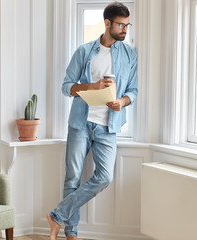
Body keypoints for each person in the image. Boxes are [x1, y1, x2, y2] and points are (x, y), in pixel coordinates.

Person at [47, 2, 138, 240]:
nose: (125, 30)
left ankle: (57, 215)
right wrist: (91, 87)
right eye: (121, 25)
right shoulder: (84, 51)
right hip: (80, 123)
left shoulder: (130, 54)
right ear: (107, 23)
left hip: (109, 126)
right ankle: (71, 233)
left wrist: (123, 101)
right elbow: (66, 87)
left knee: (104, 177)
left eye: (128, 25)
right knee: (72, 178)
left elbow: (134, 91)